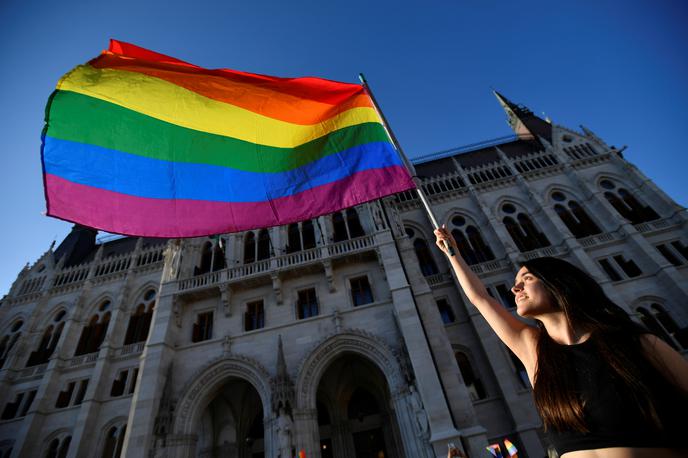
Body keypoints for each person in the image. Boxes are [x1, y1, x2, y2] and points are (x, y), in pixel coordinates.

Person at [434, 226, 688, 458]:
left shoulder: (638, 344)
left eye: (527, 279)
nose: (516, 288)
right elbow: (480, 298)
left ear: (559, 284)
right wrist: (452, 252)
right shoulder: (533, 349)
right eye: (515, 283)